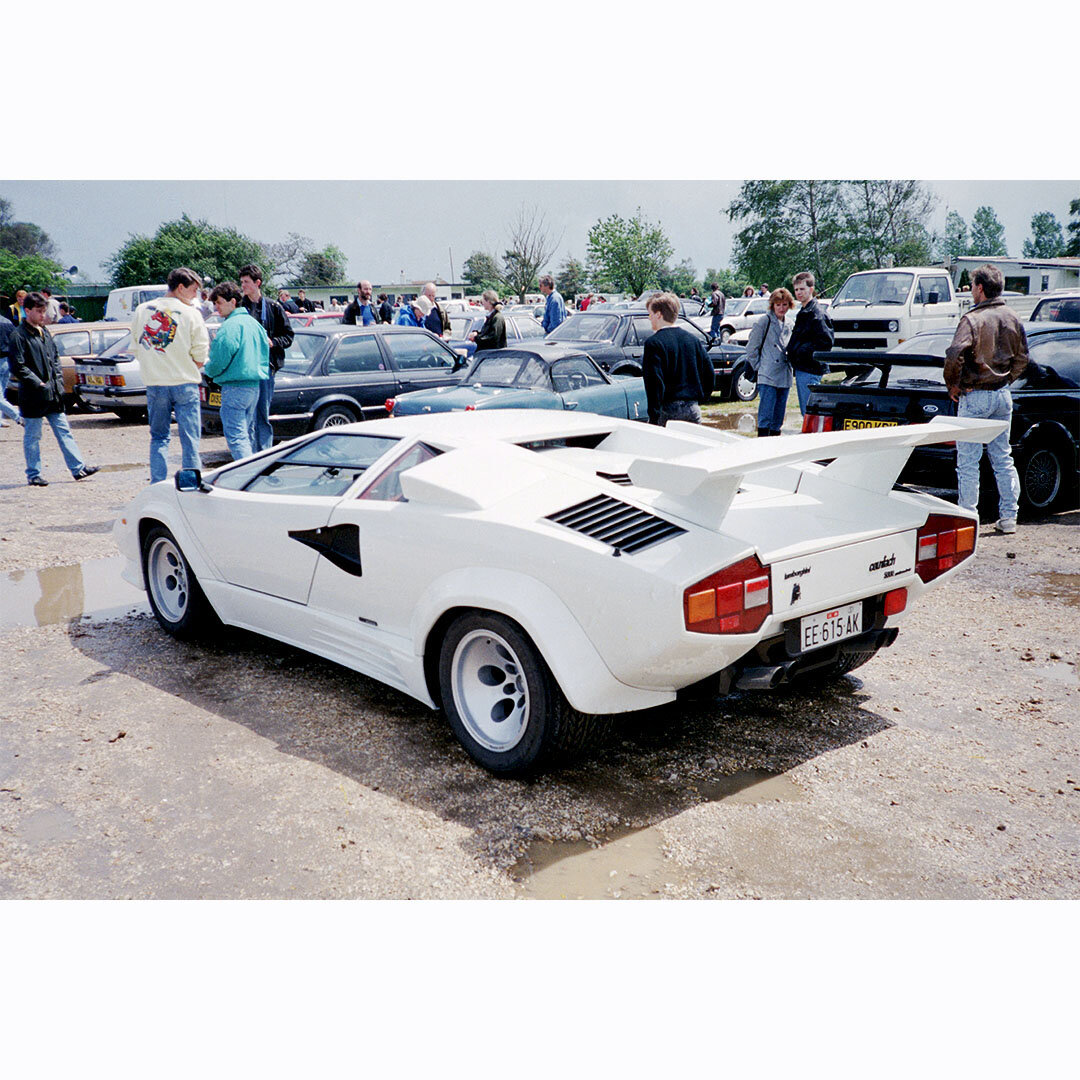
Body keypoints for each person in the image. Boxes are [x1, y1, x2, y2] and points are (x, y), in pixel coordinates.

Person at [944, 263, 1029, 534]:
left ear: (979, 288)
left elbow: (955, 352)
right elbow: (1023, 357)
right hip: (1002, 395)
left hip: (975, 395)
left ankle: (968, 519)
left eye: (972, 288)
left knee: (968, 462)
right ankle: (1009, 518)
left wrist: (952, 385)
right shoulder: (1013, 317)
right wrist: (1007, 379)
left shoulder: (972, 319)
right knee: (1002, 458)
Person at [130, 266, 209, 484]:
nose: (196, 295)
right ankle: (191, 483)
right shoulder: (192, 314)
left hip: (155, 383)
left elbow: (137, 347)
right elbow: (201, 354)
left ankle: (157, 483)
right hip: (185, 382)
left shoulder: (143, 310)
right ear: (181, 287)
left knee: (158, 437)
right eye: (194, 290)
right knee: (190, 438)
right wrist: (185, 363)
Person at [9, 292, 97, 485]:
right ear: (27, 310)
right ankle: (33, 474)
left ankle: (78, 468)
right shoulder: (19, 335)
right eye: (39, 311)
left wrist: (56, 382)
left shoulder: (44, 332)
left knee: (64, 430)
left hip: (53, 393)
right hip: (33, 396)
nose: (43, 315)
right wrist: (37, 383)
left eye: (44, 311)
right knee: (33, 436)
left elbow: (54, 358)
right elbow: (18, 366)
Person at [205, 281, 270, 461]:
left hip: (235, 387)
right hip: (254, 386)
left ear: (232, 302)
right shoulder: (254, 323)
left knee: (236, 437)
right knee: (247, 434)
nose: (216, 307)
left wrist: (209, 371)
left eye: (219, 302)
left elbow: (220, 358)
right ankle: (252, 471)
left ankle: (245, 476)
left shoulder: (231, 326)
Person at [238, 263, 293, 453]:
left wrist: (273, 342)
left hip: (264, 369)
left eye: (246, 282)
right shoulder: (239, 307)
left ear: (257, 283)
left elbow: (288, 336)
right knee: (246, 416)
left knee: (261, 414)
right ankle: (247, 457)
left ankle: (262, 454)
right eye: (241, 282)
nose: (243, 286)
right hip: (243, 369)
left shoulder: (273, 307)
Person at [641, 291, 712, 426]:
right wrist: (701, 398)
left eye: (650, 314)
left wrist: (654, 415)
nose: (649, 318)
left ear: (658, 314)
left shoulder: (654, 343)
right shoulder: (693, 340)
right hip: (692, 409)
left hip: (668, 411)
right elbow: (709, 373)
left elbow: (654, 383)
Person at [745, 288, 795, 437]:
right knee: (766, 415)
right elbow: (751, 348)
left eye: (785, 304)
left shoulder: (790, 323)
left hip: (784, 375)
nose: (781, 308)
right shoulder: (764, 321)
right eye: (778, 305)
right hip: (768, 375)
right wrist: (760, 368)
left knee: (778, 417)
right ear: (772, 305)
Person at [788, 271, 834, 414]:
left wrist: (801, 351)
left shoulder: (817, 314)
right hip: (802, 368)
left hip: (811, 369)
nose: (799, 293)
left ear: (811, 289)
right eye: (796, 290)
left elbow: (826, 342)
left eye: (802, 289)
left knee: (810, 413)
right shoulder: (804, 311)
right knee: (806, 412)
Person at [0, 311, 23, 426]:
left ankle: (19, 417)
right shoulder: (8, 322)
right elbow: (16, 341)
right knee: (1, 394)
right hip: (6, 361)